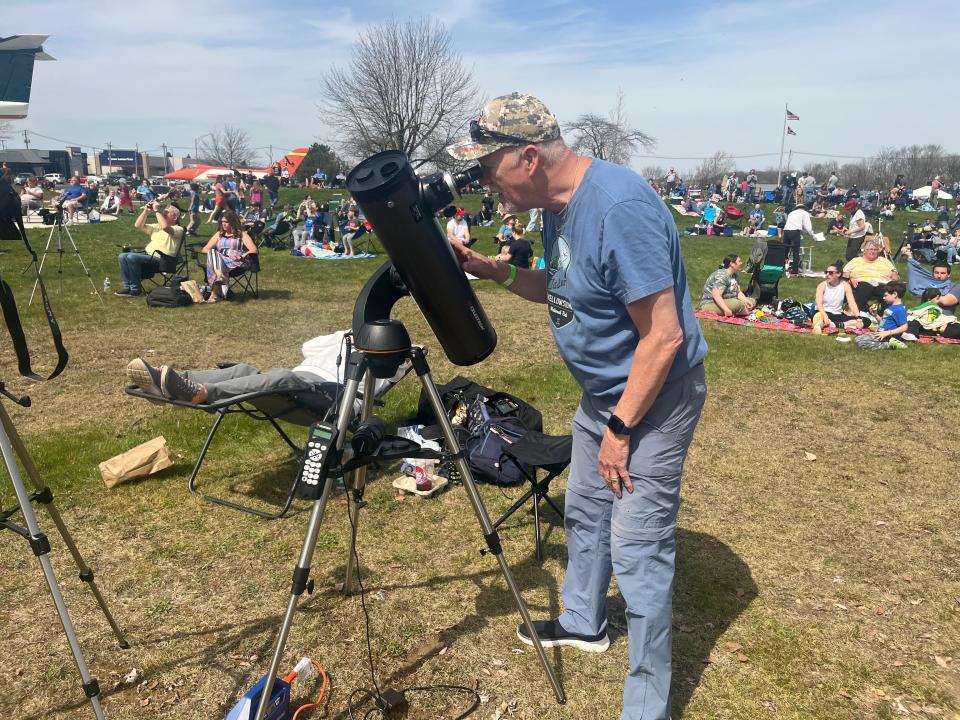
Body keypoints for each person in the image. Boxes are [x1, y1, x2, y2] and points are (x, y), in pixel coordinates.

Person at [445, 92, 707, 720]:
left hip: (652, 400)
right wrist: (493, 270)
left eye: (488, 167)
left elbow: (664, 335)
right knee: (586, 512)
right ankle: (582, 621)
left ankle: (648, 705)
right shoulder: (554, 206)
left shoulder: (618, 206)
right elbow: (563, 289)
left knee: (640, 549)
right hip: (602, 398)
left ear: (528, 157)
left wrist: (621, 429)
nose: (485, 183)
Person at [124, 331, 402, 406]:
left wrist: (387, 352)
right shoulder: (345, 339)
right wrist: (345, 333)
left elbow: (365, 399)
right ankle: (165, 381)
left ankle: (200, 392)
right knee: (243, 369)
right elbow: (308, 347)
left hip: (331, 393)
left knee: (280, 376)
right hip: (299, 378)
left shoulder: (386, 360)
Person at [115, 202, 185, 297]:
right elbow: (138, 225)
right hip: (148, 256)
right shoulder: (157, 226)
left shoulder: (179, 229)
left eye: (167, 213)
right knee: (122, 256)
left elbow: (165, 227)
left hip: (164, 260)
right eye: (163, 212)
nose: (163, 213)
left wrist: (156, 211)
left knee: (131, 257)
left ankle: (136, 289)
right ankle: (127, 287)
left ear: (175, 217)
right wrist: (146, 211)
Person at [201, 210, 257, 302]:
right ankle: (220, 276)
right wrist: (224, 253)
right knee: (212, 252)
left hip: (236, 262)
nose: (223, 224)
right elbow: (205, 249)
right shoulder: (219, 235)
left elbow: (253, 250)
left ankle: (214, 294)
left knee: (213, 261)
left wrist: (243, 256)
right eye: (222, 222)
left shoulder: (241, 234)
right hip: (220, 261)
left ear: (232, 222)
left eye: (226, 222)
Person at [842, 240, 899, 311]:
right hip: (861, 284)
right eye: (871, 249)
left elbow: (894, 274)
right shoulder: (856, 261)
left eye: (875, 250)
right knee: (865, 287)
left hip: (881, 284)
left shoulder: (884, 261)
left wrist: (894, 279)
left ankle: (886, 314)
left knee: (889, 290)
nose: (873, 251)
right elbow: (844, 276)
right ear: (864, 251)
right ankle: (860, 312)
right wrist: (851, 280)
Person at [855, 282, 908, 350]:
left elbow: (904, 327)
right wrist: (875, 315)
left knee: (863, 343)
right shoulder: (890, 307)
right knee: (858, 339)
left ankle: (891, 345)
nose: (883, 298)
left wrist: (888, 333)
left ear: (895, 294)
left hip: (888, 337)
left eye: (886, 295)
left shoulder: (899, 310)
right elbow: (883, 322)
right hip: (881, 333)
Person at [812, 262, 863, 332]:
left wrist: (858, 317)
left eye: (830, 273)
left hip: (838, 315)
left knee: (866, 321)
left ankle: (834, 324)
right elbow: (819, 304)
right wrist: (824, 316)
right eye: (826, 272)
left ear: (838, 274)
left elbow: (852, 303)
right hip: (823, 313)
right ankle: (842, 324)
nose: (827, 275)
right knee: (819, 318)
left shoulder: (845, 285)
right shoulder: (822, 286)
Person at [782, 202, 816, 277]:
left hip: (786, 231)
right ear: (804, 208)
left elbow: (792, 224)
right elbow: (808, 226)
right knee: (795, 253)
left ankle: (782, 269)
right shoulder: (805, 213)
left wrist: (803, 231)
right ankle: (794, 271)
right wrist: (813, 235)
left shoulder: (791, 213)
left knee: (785, 251)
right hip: (795, 232)